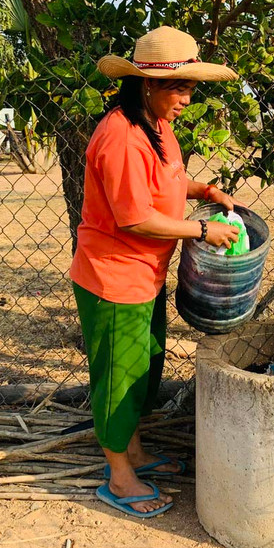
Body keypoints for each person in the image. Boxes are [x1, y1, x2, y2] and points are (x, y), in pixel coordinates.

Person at [69, 26, 242, 518]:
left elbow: (166, 181)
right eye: (178, 87)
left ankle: (137, 452)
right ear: (146, 83)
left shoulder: (156, 125)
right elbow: (134, 217)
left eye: (191, 87)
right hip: (113, 277)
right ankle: (119, 477)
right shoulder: (121, 136)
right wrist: (201, 231)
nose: (187, 98)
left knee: (144, 366)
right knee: (118, 378)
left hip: (143, 275)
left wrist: (204, 190)